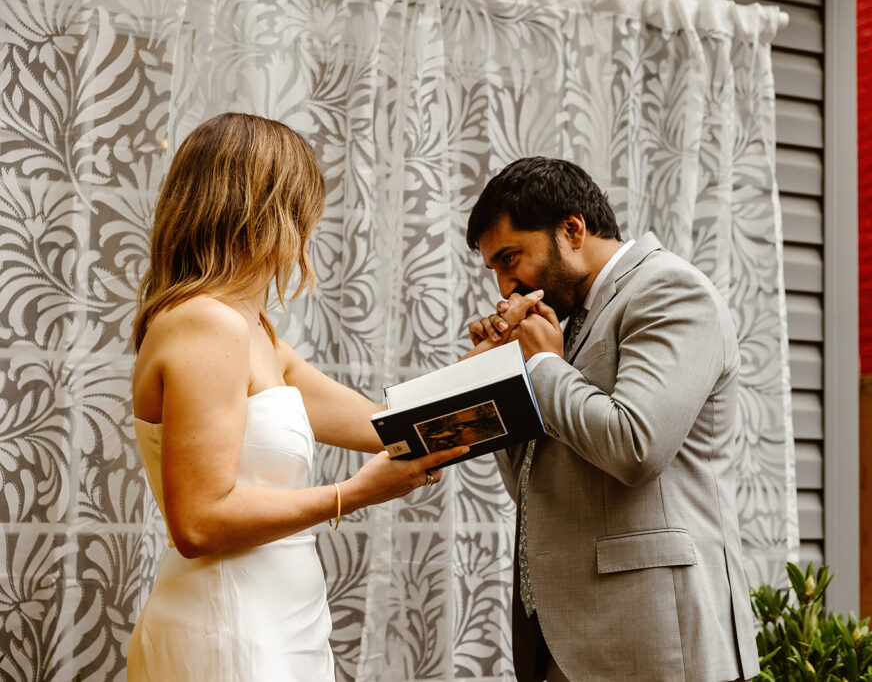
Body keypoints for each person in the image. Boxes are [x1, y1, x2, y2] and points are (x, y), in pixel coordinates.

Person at [128, 112, 467, 681]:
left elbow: (390, 424)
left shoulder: (254, 329)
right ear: (261, 210)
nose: (310, 229)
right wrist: (353, 494)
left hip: (284, 621)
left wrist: (497, 364)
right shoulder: (205, 324)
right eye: (302, 207)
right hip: (230, 630)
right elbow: (199, 523)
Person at [463, 157, 760, 681]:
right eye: (495, 269)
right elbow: (536, 485)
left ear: (572, 229)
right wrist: (500, 376)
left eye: (511, 258)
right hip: (564, 639)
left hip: (653, 636)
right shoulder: (566, 321)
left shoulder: (669, 291)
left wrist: (544, 365)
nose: (507, 286)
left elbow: (634, 447)